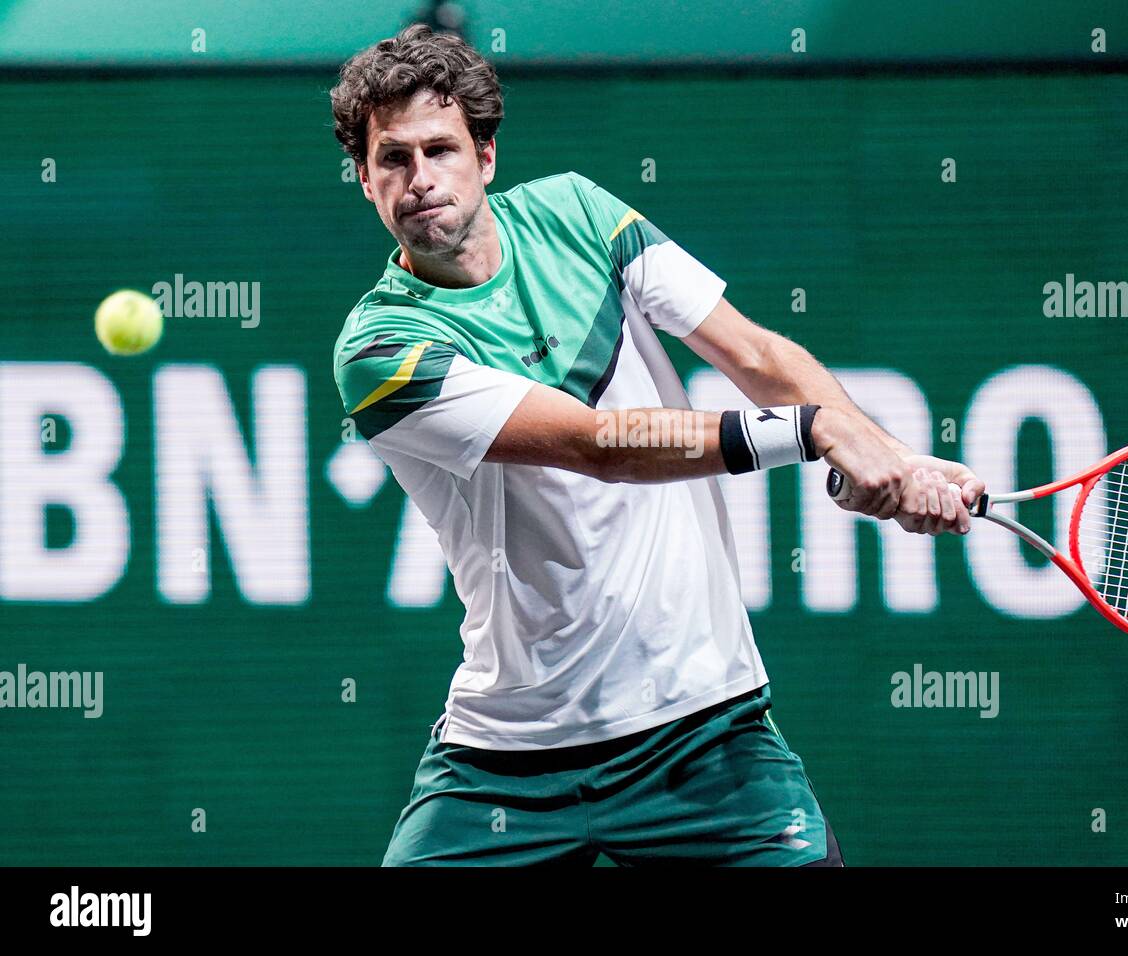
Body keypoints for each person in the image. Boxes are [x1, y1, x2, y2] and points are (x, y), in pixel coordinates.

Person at [330, 24, 985, 866]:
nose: (421, 180)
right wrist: (819, 433)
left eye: (441, 150)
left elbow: (753, 355)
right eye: (393, 159)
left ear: (486, 156)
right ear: (364, 178)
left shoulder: (578, 213)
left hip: (706, 731)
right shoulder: (379, 349)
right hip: (508, 762)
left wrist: (884, 452)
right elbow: (602, 446)